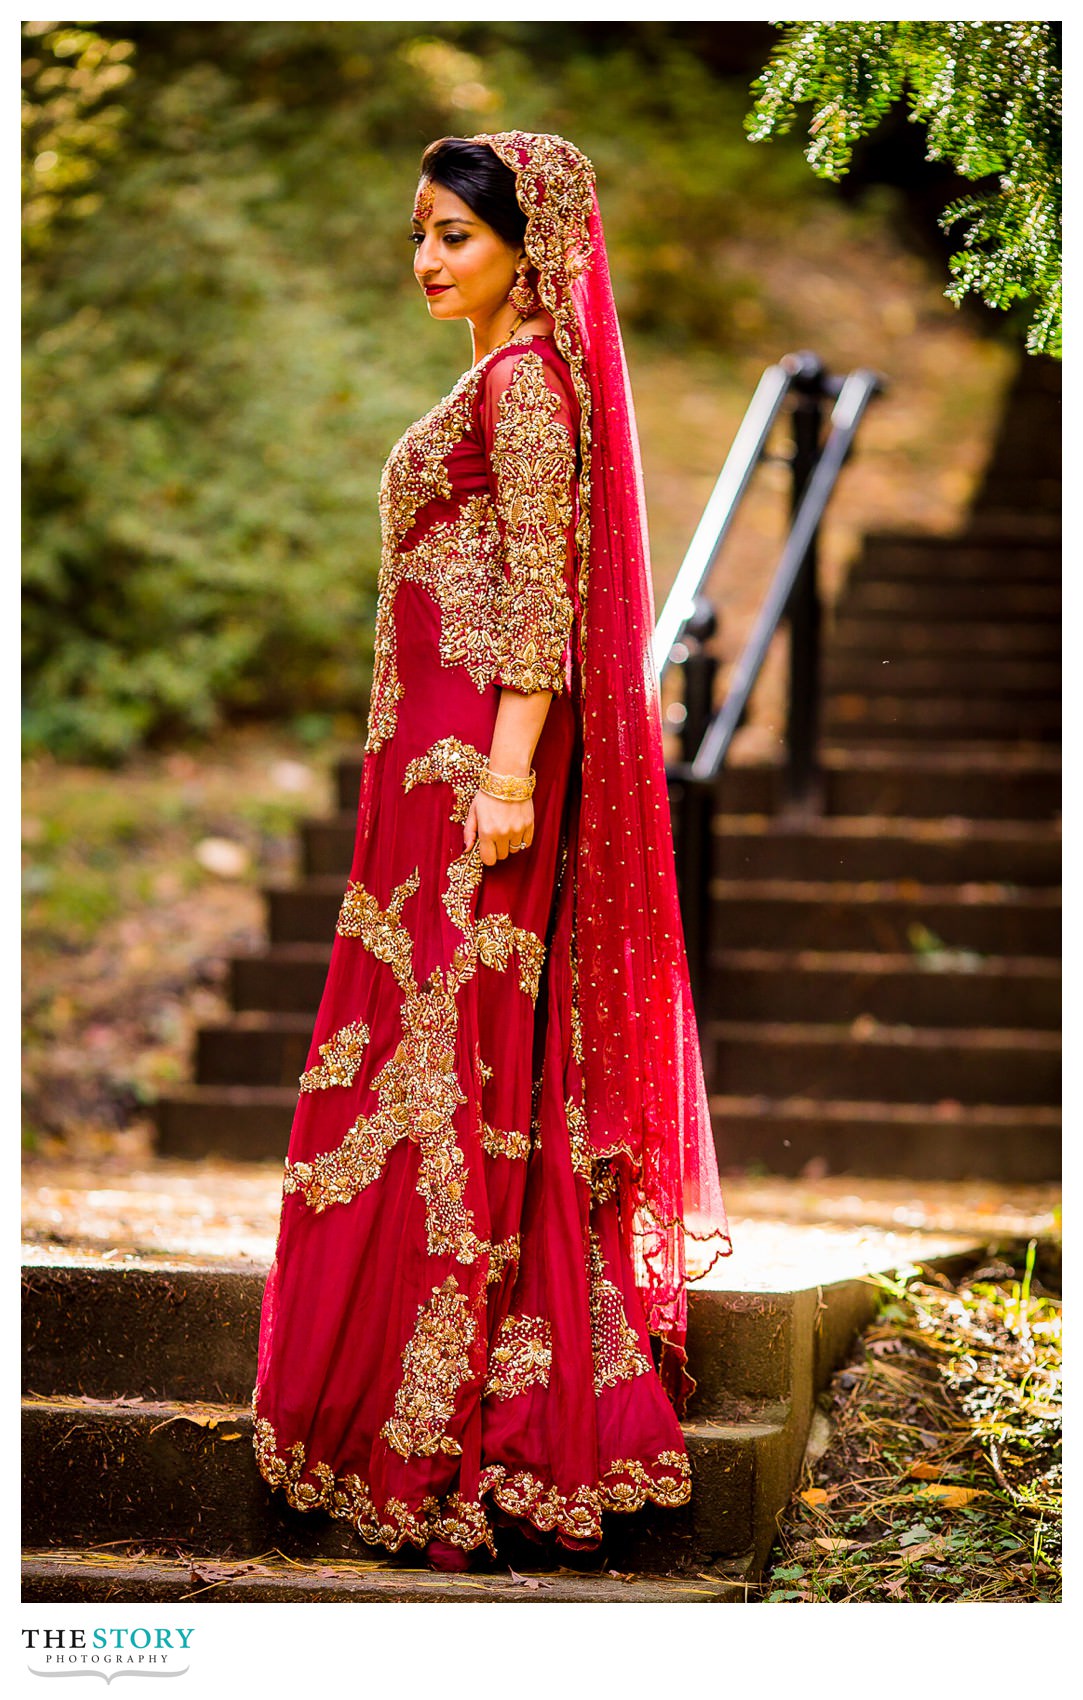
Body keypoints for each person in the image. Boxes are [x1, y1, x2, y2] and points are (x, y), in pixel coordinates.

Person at [252, 130, 732, 1574]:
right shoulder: (499, 379)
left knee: (455, 1084)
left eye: (454, 234)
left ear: (530, 243)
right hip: (434, 782)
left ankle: (450, 1428)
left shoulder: (528, 388)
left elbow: (541, 607)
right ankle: (418, 1398)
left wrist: (511, 776)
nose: (426, 259)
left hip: (480, 785)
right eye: (419, 233)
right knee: (433, 1072)